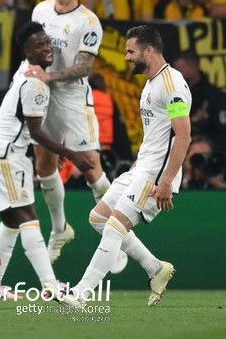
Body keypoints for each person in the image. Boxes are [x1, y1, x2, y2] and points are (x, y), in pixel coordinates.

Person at [68, 25, 192, 307]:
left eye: (130, 51)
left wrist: (167, 181)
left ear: (149, 51)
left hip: (157, 174)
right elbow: (159, 133)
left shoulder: (172, 84)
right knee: (98, 218)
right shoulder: (151, 83)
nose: (126, 57)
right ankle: (155, 268)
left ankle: (80, 294)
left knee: (114, 226)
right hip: (143, 167)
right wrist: (139, 162)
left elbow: (183, 135)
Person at [0, 21, 94, 301]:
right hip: (7, 156)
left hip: (1, 152)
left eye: (47, 42)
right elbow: (36, 132)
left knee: (11, 222)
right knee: (28, 217)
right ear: (26, 52)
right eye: (38, 45)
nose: (47, 48)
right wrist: (71, 154)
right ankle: (50, 284)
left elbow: (34, 131)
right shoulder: (35, 83)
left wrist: (56, 150)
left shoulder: (27, 70)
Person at [26, 0, 111, 263]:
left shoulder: (88, 21)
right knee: (44, 167)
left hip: (73, 97)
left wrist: (50, 77)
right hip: (43, 95)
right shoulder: (40, 10)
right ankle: (60, 229)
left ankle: (117, 236)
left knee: (90, 166)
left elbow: (84, 68)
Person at [173, 50, 226, 154]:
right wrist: (193, 120)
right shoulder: (175, 97)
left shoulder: (215, 97)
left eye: (180, 70)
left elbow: (225, 132)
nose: (176, 75)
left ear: (194, 67)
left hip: (207, 151)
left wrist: (213, 152)